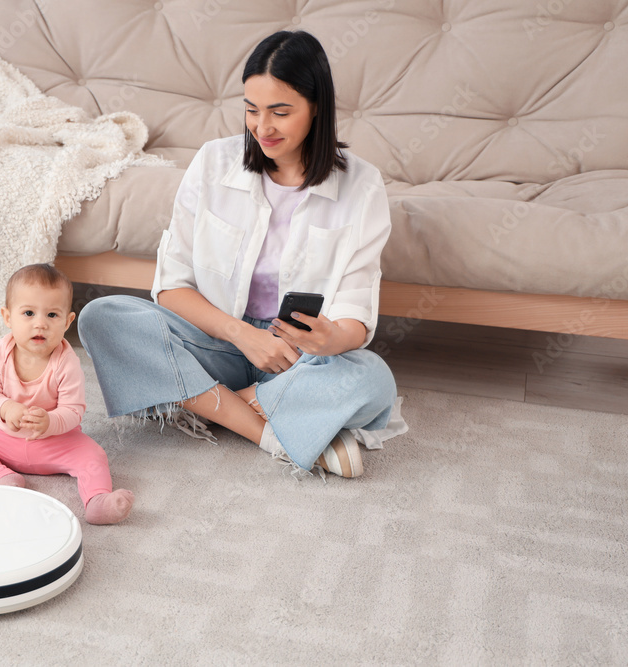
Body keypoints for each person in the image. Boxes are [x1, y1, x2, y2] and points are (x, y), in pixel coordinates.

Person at [77, 30, 404, 478]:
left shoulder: (362, 186)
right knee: (101, 316)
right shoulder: (213, 162)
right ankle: (267, 431)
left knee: (373, 379)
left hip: (294, 359)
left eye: (280, 112)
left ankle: (209, 401)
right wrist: (243, 336)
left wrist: (328, 340)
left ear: (317, 109)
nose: (262, 127)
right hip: (215, 341)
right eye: (251, 110)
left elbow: (356, 314)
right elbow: (171, 288)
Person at [0, 264, 134, 524]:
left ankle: (97, 501)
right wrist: (6, 408)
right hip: (10, 440)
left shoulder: (66, 361)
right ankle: (3, 479)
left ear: (67, 321)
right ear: (7, 317)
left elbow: (74, 409)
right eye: (28, 313)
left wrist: (51, 422)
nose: (40, 324)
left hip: (58, 443)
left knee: (94, 456)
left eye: (51, 315)